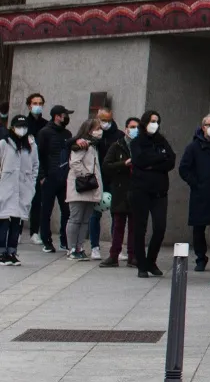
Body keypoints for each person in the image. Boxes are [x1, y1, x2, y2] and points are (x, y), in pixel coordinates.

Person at [177, 114, 210, 278]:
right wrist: (196, 183)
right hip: (200, 193)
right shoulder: (194, 147)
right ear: (203, 127)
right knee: (199, 228)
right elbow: (184, 168)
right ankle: (200, 257)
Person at [129, 111, 174, 277]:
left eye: (157, 121)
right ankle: (141, 264)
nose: (155, 124)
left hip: (160, 191)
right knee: (140, 228)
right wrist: (159, 158)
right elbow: (140, 160)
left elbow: (171, 160)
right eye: (152, 121)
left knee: (160, 227)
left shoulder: (162, 141)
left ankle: (151, 260)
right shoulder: (137, 142)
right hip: (140, 190)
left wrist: (153, 164)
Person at [32, 104, 72, 254]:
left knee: (66, 211)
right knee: (46, 211)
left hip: (64, 178)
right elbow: (39, 155)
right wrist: (42, 176)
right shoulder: (45, 132)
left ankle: (65, 240)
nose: (66, 118)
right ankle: (47, 241)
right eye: (64, 115)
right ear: (57, 116)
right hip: (49, 178)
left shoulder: (67, 133)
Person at [0, 114, 36, 265]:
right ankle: (2, 252)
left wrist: (31, 184)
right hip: (6, 186)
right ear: (13, 127)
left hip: (23, 188)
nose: (22, 129)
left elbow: (35, 166)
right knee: (3, 220)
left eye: (24, 127)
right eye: (19, 126)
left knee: (17, 221)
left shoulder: (31, 144)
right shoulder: (5, 143)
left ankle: (12, 252)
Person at [64, 127, 104, 260]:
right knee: (75, 219)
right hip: (79, 187)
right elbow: (75, 163)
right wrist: (86, 175)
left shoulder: (94, 146)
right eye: (97, 128)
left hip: (91, 188)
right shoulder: (82, 144)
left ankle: (79, 247)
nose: (100, 131)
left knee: (85, 220)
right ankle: (71, 248)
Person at [100, 118, 135, 269]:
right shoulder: (117, 145)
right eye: (132, 127)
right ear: (126, 128)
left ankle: (133, 256)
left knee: (135, 226)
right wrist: (123, 164)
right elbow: (106, 166)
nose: (134, 130)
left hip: (136, 190)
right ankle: (114, 255)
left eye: (137, 127)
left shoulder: (141, 146)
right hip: (120, 189)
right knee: (118, 224)